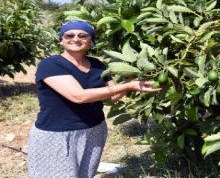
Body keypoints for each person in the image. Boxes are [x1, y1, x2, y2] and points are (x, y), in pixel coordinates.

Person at [27, 20, 161, 178]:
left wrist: (130, 80)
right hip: (59, 134)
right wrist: (128, 86)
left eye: (83, 35)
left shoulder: (97, 64)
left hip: (94, 130)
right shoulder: (50, 64)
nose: (76, 39)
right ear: (61, 40)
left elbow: (114, 96)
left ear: (91, 41)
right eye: (69, 35)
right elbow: (78, 96)